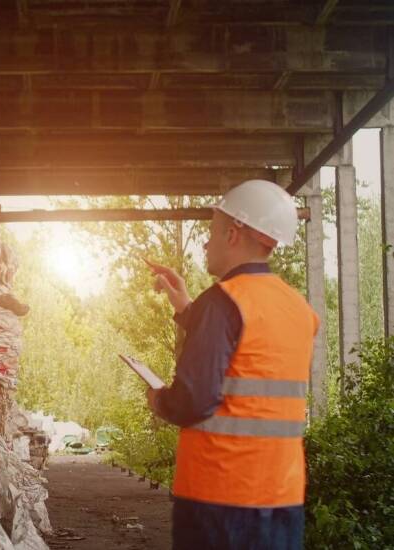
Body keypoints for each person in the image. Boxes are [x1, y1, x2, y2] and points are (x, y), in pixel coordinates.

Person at [143, 179, 320, 550]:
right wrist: (187, 308)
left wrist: (158, 400)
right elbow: (250, 357)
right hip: (282, 499)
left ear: (234, 234)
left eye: (212, 232)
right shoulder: (298, 309)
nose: (206, 243)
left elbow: (193, 400)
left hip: (219, 500)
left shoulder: (222, 302)